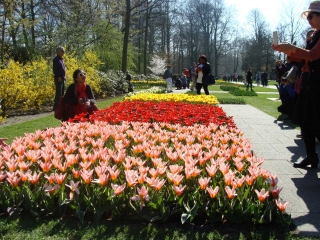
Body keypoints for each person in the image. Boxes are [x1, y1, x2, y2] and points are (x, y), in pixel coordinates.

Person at [272, 0, 320, 168]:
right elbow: (306, 58)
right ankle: (311, 156)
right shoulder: (314, 35)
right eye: (307, 16)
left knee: (315, 122)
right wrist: (287, 51)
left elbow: (313, 55)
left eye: (311, 16)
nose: (308, 19)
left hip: (317, 83)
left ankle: (312, 155)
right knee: (305, 121)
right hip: (309, 83)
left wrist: (291, 48)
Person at [53, 46, 66, 111]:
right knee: (59, 93)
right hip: (59, 78)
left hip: (63, 78)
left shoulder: (62, 59)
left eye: (63, 51)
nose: (63, 52)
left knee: (62, 93)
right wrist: (58, 77)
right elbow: (55, 70)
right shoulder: (56, 60)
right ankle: (56, 106)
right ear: (58, 52)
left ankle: (61, 105)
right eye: (62, 51)